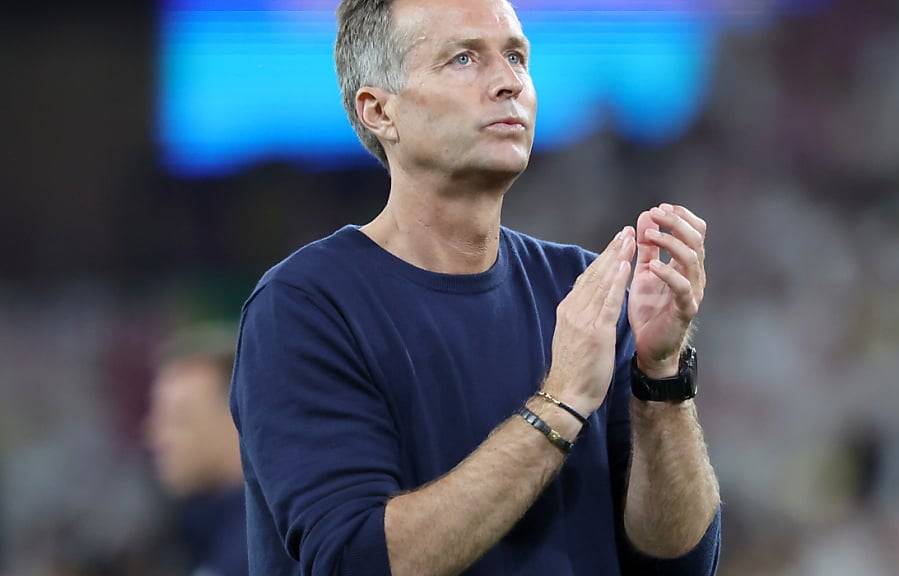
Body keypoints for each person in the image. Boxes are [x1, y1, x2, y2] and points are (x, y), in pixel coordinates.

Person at [230, 0, 723, 574]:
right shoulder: (305, 308)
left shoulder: (585, 290)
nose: (508, 82)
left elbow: (680, 563)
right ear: (379, 111)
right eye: (464, 58)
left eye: (516, 57)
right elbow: (355, 560)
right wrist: (560, 403)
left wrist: (660, 377)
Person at [147, 324, 248, 576]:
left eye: (178, 419)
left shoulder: (264, 547)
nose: (155, 437)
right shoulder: (209, 528)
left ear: (235, 418)